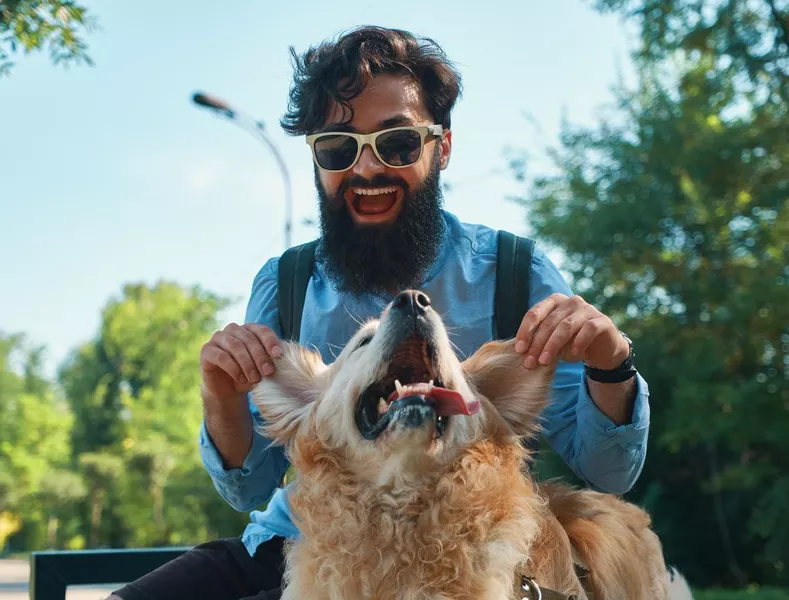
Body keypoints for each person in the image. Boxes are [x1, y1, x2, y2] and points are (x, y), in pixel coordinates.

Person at [109, 25, 650, 600]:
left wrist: (610, 366)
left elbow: (609, 474)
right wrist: (221, 397)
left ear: (441, 146)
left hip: (467, 558)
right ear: (317, 158)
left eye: (397, 144)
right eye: (339, 148)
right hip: (302, 544)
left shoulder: (516, 271)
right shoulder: (285, 282)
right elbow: (250, 489)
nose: (367, 171)